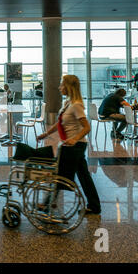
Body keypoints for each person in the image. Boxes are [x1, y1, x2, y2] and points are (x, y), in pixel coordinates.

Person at [37, 75, 101, 215]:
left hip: (74, 146)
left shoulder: (76, 105)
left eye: (62, 85)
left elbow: (87, 127)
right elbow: (59, 123)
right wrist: (46, 134)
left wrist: (74, 139)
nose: (60, 88)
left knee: (59, 174)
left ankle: (45, 204)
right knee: (84, 177)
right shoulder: (68, 103)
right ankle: (94, 206)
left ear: (69, 87)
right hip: (71, 146)